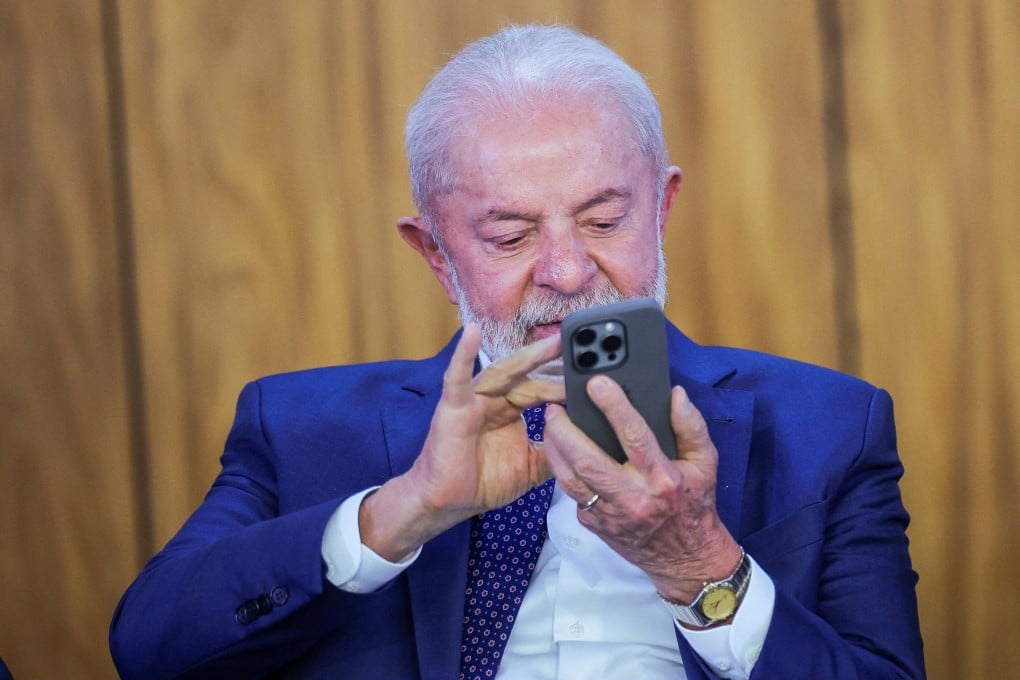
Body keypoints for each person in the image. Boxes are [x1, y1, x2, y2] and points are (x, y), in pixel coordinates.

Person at [110, 24, 924, 679]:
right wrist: (403, 511)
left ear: (663, 209)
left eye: (605, 222)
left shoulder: (829, 428)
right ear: (435, 253)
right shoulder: (297, 427)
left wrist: (699, 564)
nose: (568, 273)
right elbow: (146, 649)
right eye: (511, 234)